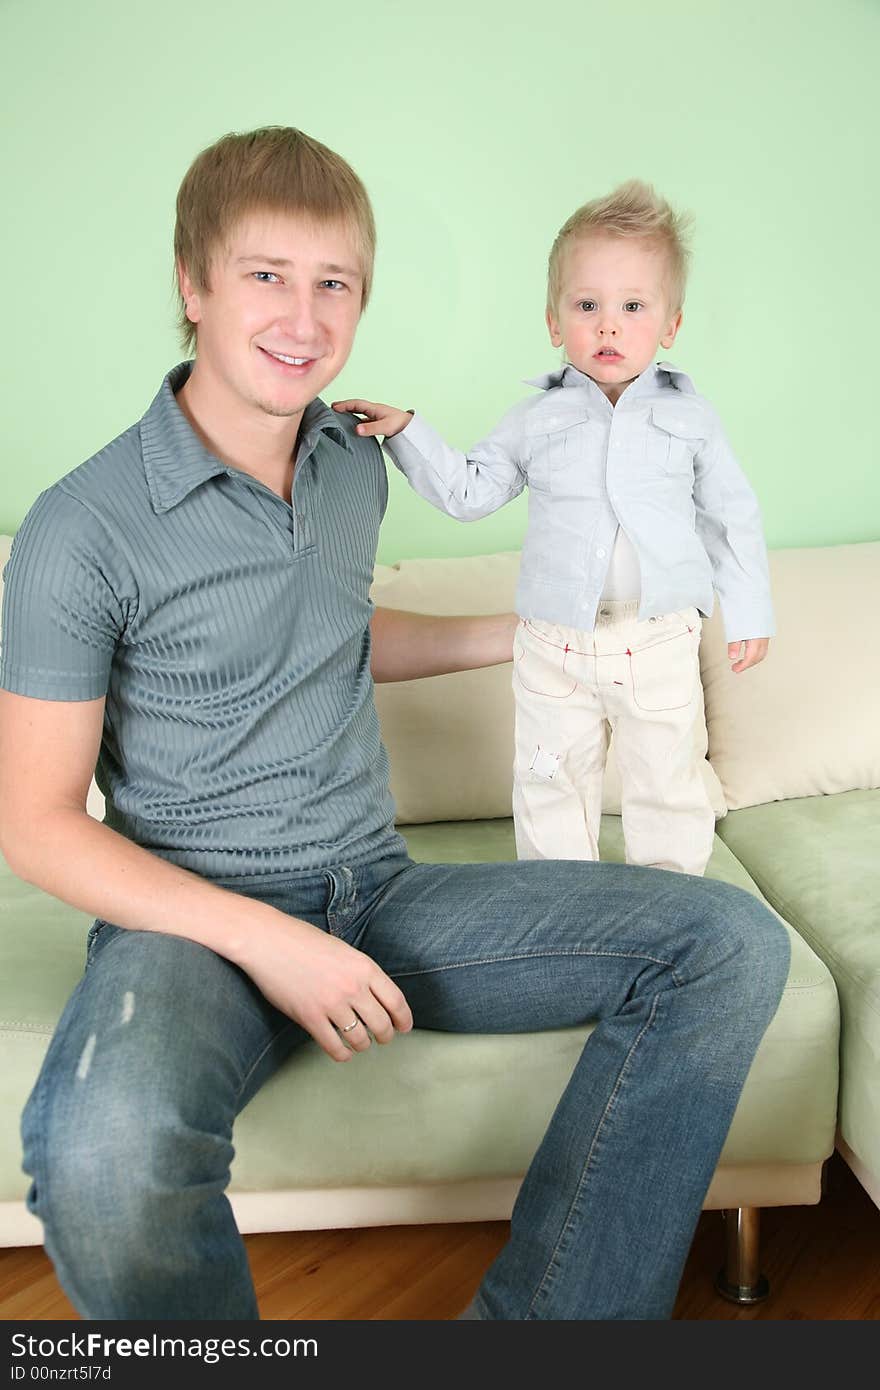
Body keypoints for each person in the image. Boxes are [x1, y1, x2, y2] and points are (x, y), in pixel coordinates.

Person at [0, 128, 789, 1322]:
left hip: (376, 890)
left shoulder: (348, 463)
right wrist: (271, 943)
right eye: (267, 274)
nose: (303, 317)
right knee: (97, 1154)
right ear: (192, 282)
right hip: (186, 924)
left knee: (730, 944)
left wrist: (528, 633)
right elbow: (39, 825)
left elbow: (326, 631)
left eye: (336, 284)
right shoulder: (79, 526)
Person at [335, 181, 774, 877]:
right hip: (555, 643)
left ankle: (672, 910)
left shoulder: (692, 420)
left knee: (667, 784)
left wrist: (749, 612)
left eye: (633, 307)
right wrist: (407, 433)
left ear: (670, 325)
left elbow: (732, 516)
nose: (608, 326)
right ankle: (560, 913)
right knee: (549, 784)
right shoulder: (536, 421)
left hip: (658, 636)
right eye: (587, 305)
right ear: (553, 321)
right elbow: (471, 491)